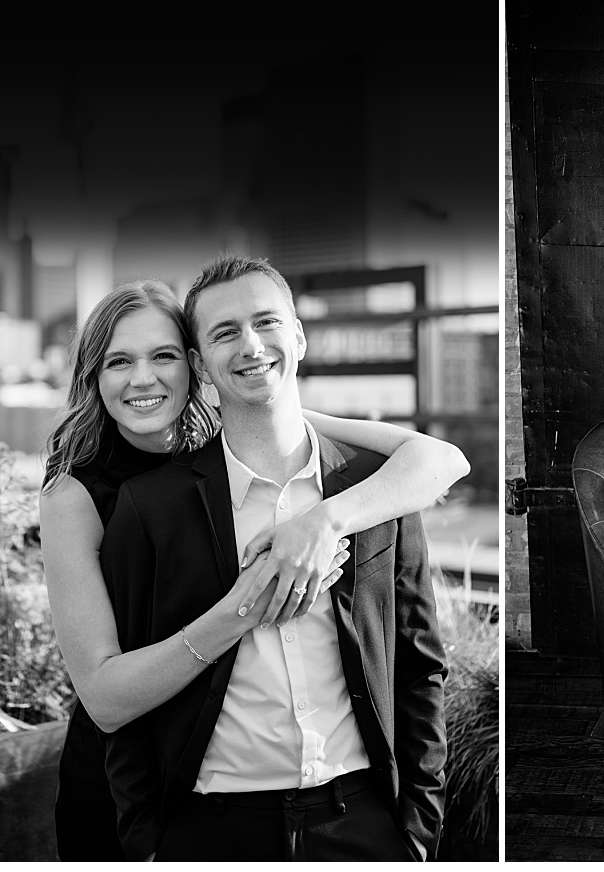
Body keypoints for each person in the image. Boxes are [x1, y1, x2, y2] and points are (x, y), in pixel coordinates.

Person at [40, 278, 467, 860]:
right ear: (94, 376)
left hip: (346, 813)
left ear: (193, 370)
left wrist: (322, 521)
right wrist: (250, 601)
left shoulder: (228, 440)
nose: (143, 379)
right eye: (119, 361)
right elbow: (107, 697)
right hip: (130, 770)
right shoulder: (83, 498)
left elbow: (437, 460)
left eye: (162, 356)